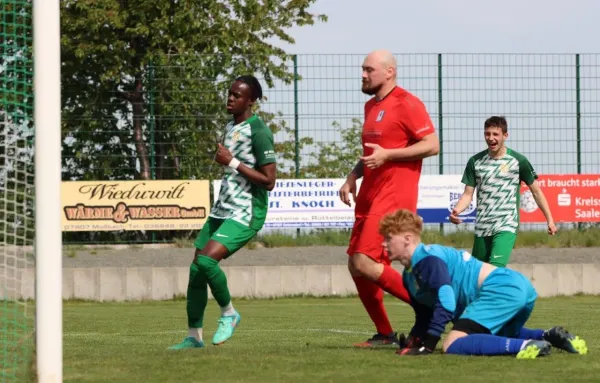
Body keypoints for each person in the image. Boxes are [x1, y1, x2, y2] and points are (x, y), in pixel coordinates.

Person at [379, 208, 587, 358]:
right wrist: (417, 339)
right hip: (516, 286)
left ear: (407, 239)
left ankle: (526, 346)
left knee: (452, 343)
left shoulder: (426, 260)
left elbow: (447, 301)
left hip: (500, 287)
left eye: (388, 238)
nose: (383, 243)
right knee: (496, 333)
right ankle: (548, 336)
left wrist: (429, 344)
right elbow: (425, 313)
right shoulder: (410, 274)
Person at [339, 49, 440, 348]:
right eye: (363, 69)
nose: (363, 74)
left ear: (389, 72)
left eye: (369, 69)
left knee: (365, 262)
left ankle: (430, 308)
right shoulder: (371, 106)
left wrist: (390, 155)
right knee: (355, 266)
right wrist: (352, 176)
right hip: (369, 196)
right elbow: (373, 153)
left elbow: (432, 145)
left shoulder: (408, 103)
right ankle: (385, 334)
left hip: (393, 197)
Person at [169, 75, 276, 350]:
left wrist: (232, 161)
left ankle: (229, 314)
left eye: (237, 95)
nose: (230, 98)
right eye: (229, 93)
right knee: (196, 271)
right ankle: (194, 337)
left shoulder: (259, 130)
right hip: (222, 208)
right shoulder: (230, 127)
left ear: (251, 101)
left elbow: (269, 181)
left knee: (206, 262)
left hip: (245, 212)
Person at [449, 116, 557, 267]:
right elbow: (468, 194)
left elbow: (536, 192)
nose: (491, 138)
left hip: (506, 223)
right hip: (483, 226)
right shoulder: (475, 161)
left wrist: (549, 219)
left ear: (505, 136)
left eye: (495, 134)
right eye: (487, 134)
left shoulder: (518, 161)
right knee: (477, 273)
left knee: (495, 268)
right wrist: (457, 211)